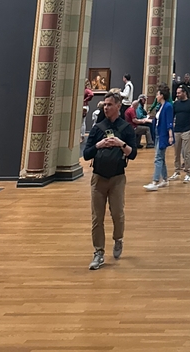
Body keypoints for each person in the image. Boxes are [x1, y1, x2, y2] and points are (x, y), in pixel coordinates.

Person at [82, 91, 137, 270]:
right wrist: (99, 145)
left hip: (117, 177)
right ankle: (98, 252)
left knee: (117, 214)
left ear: (118, 106)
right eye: (105, 105)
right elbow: (86, 153)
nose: (106, 107)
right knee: (97, 217)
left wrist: (120, 144)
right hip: (98, 177)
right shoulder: (98, 128)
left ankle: (118, 238)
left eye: (109, 105)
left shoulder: (126, 128)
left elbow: (133, 154)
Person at [143, 86, 174, 190]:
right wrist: (146, 121)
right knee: (161, 158)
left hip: (163, 135)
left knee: (158, 158)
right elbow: (158, 121)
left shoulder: (168, 106)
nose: (156, 96)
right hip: (158, 133)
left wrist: (170, 136)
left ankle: (155, 181)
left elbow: (169, 122)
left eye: (157, 94)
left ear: (161, 95)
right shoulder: (161, 106)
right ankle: (165, 179)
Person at [169, 85, 190, 181]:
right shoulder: (176, 104)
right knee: (176, 153)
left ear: (184, 93)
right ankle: (177, 171)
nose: (177, 94)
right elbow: (172, 116)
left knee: (186, 153)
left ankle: (188, 173)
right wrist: (171, 128)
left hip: (187, 130)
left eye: (179, 93)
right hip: (176, 131)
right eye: (177, 93)